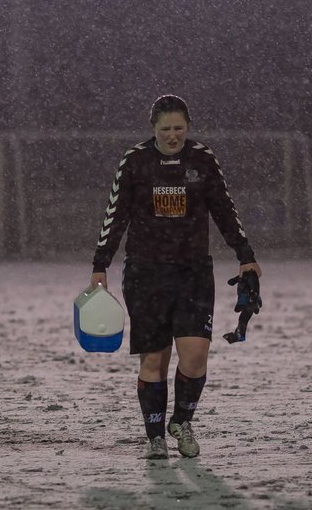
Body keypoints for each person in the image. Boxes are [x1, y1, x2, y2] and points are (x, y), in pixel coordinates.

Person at [90, 95, 262, 460]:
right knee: (154, 361)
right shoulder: (135, 161)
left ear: (188, 127)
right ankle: (155, 436)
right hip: (146, 273)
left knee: (196, 355)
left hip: (193, 272)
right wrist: (100, 264)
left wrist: (245, 255)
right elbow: (115, 215)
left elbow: (224, 210)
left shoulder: (202, 160)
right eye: (165, 129)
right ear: (153, 129)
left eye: (178, 128)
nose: (172, 135)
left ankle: (181, 421)